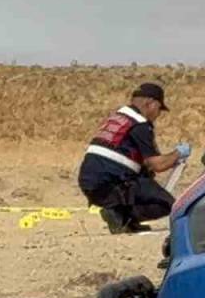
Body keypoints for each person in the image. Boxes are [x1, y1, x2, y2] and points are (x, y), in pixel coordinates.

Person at [77, 83, 189, 234]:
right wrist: (178, 153)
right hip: (111, 183)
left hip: (90, 182)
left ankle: (126, 220)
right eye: (159, 109)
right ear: (150, 103)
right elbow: (157, 165)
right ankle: (121, 216)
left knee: (145, 176)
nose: (158, 114)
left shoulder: (119, 117)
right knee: (167, 204)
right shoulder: (140, 125)